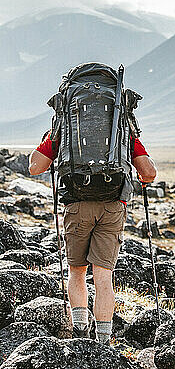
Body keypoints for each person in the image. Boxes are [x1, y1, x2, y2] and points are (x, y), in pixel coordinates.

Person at [29, 132, 156, 343]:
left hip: (77, 204)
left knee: (77, 272)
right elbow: (149, 172)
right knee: (103, 277)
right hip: (113, 206)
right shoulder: (121, 126)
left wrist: (47, 142)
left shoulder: (65, 125)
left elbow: (35, 168)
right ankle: (103, 341)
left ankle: (80, 333)